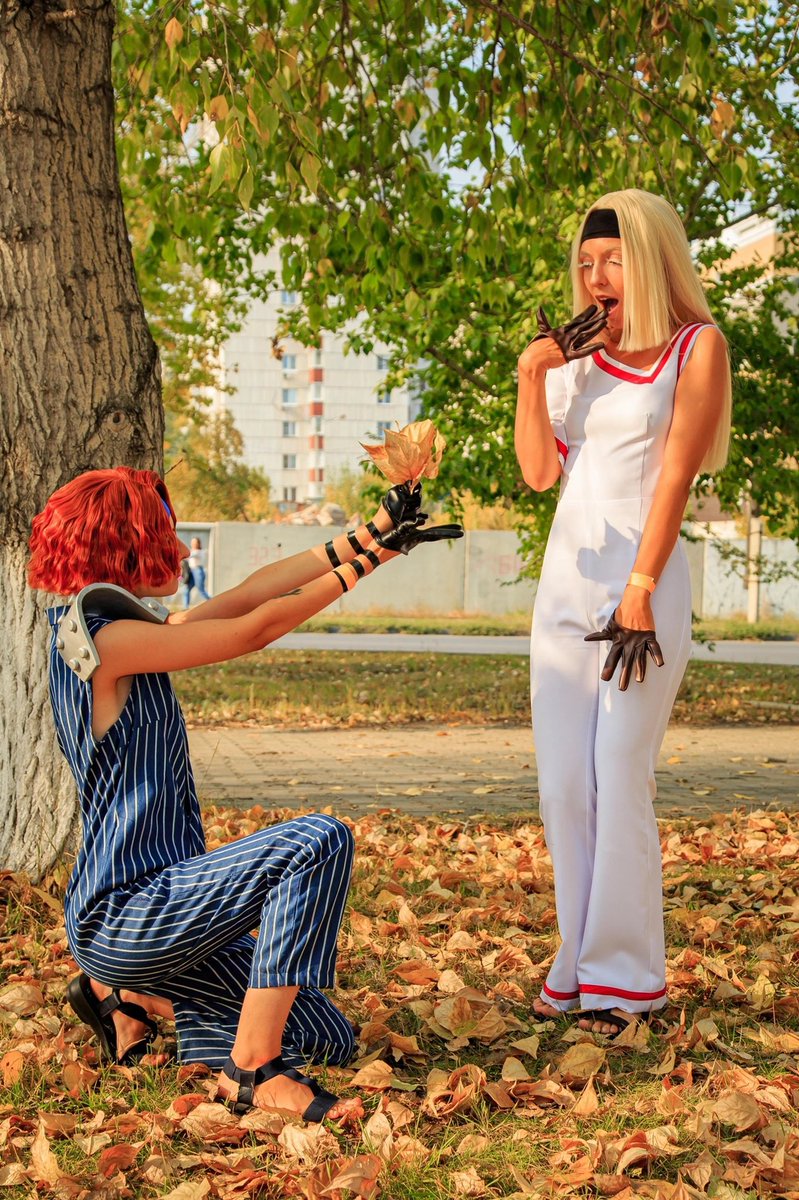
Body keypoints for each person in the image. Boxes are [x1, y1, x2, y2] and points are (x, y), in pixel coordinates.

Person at [28, 466, 462, 1120]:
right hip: (126, 910)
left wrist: (373, 535)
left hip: (170, 906)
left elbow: (250, 593)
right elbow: (252, 628)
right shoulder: (104, 642)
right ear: (122, 547)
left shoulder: (119, 627)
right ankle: (253, 1071)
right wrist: (367, 562)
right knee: (316, 843)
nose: (180, 549)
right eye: (163, 536)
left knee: (324, 1034)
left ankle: (125, 996)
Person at [515, 189, 730, 1037]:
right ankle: (577, 961)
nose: (595, 275)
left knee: (617, 772)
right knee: (564, 786)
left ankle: (625, 979)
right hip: (564, 591)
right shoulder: (572, 360)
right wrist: (532, 375)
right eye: (584, 263)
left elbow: (675, 475)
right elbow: (540, 474)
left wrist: (638, 587)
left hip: (642, 588)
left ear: (647, 259)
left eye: (610, 259)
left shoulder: (694, 346)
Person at [188, 536, 211, 602]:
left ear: (198, 544)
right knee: (186, 589)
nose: (193, 544)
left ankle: (212, 601)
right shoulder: (193, 551)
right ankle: (185, 606)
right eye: (192, 542)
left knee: (201, 590)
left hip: (197, 571)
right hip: (191, 571)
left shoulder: (199, 552)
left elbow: (189, 555)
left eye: (195, 542)